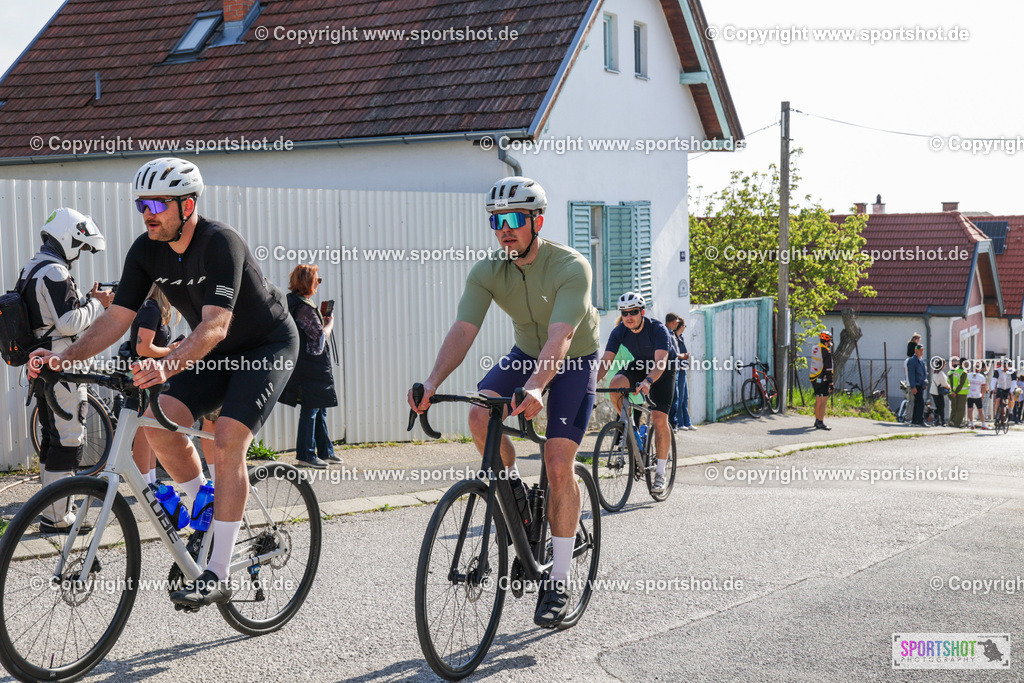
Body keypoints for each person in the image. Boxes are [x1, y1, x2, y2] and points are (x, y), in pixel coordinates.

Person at [29, 157, 299, 608]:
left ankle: (216, 571)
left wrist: (167, 365)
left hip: (265, 346)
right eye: (142, 204)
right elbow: (117, 318)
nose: (147, 212)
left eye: (158, 203)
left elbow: (215, 325)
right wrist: (64, 357)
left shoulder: (221, 243)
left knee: (229, 438)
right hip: (215, 352)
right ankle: (203, 506)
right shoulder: (146, 250)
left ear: (188, 205)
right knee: (156, 422)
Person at [409, 176, 599, 629]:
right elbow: (463, 330)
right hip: (524, 355)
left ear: (537, 220)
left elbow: (562, 337)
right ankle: (515, 496)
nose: (504, 229)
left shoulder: (570, 267)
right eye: (496, 221)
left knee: (557, 463)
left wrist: (536, 387)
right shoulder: (488, 271)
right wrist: (432, 382)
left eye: (514, 219)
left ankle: (557, 579)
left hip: (572, 360)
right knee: (479, 414)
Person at [19, 208, 112, 532]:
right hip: (63, 365)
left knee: (53, 436)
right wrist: (100, 303)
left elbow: (54, 315)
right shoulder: (55, 271)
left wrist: (87, 299)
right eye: (81, 245)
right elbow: (69, 321)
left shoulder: (33, 266)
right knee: (68, 438)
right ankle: (59, 518)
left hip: (44, 363)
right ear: (68, 236)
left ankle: (51, 511)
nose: (81, 252)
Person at [596, 292, 676, 494]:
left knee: (658, 419)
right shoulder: (620, 331)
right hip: (640, 364)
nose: (628, 316)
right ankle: (631, 428)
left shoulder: (658, 329)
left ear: (641, 312)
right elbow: (606, 362)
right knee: (616, 384)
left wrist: (649, 381)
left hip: (663, 369)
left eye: (633, 312)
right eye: (624, 313)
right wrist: (587, 385)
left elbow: (660, 362)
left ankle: (660, 473)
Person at [279, 264, 342, 469]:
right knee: (311, 409)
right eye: (317, 279)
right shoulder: (304, 307)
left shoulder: (295, 302)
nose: (318, 282)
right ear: (307, 281)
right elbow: (320, 338)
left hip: (306, 364)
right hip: (310, 366)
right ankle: (305, 454)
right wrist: (329, 322)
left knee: (319, 407)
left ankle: (325, 451)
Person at [128, 287, 182, 487]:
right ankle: (144, 481)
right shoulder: (151, 308)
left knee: (149, 426)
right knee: (145, 427)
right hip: (143, 372)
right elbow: (143, 348)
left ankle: (150, 479)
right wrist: (171, 350)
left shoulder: (154, 309)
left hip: (148, 373)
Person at [665, 313, 695, 431]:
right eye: (682, 325)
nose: (682, 327)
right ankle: (677, 423)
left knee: (683, 397)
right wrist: (681, 358)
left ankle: (684, 422)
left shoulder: (676, 336)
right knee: (678, 397)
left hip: (680, 368)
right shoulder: (669, 334)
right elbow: (671, 352)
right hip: (674, 369)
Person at [808, 331, 834, 430]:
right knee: (823, 401)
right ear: (826, 341)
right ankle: (820, 422)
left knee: (818, 400)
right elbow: (828, 369)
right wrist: (831, 382)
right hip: (823, 379)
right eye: (829, 342)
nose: (830, 344)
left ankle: (816, 420)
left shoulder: (815, 348)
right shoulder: (826, 352)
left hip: (814, 377)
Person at [907, 344, 928, 426]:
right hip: (916, 385)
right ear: (915, 351)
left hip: (921, 384)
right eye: (920, 350)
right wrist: (913, 386)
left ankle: (915, 420)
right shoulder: (912, 360)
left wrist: (925, 383)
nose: (921, 352)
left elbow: (923, 373)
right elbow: (911, 375)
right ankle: (920, 420)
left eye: (922, 350)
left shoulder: (921, 360)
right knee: (921, 403)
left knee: (918, 403)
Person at [903, 333, 921, 422]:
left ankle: (910, 417)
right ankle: (908, 418)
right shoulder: (913, 360)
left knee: (910, 401)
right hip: (912, 384)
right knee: (911, 402)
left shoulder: (907, 360)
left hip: (909, 382)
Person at [989, 358, 1013, 425]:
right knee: (998, 400)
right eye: (1003, 366)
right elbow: (993, 381)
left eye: (1006, 366)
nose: (1005, 368)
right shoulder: (998, 371)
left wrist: (1011, 391)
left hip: (1009, 387)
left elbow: (1014, 382)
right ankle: (997, 415)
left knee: (1010, 397)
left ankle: (1010, 411)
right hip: (1000, 387)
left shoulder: (1012, 372)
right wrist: (992, 389)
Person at [947, 357, 969, 428]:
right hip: (961, 392)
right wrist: (955, 392)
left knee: (954, 408)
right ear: (964, 363)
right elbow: (962, 383)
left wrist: (953, 392)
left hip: (954, 392)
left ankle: (951, 421)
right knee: (960, 409)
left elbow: (953, 382)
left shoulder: (955, 371)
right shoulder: (963, 372)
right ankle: (957, 424)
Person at [966, 360, 988, 429]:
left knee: (970, 410)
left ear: (973, 368)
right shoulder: (981, 377)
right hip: (977, 395)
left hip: (969, 395)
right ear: (980, 369)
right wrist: (983, 395)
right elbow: (984, 387)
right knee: (980, 410)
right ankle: (983, 424)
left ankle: (972, 424)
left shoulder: (968, 375)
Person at [929, 357, 949, 427]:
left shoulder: (935, 372)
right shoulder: (941, 373)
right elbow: (944, 384)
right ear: (942, 365)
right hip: (938, 392)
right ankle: (943, 421)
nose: (945, 365)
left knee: (938, 406)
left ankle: (936, 420)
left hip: (933, 391)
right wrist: (948, 387)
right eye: (945, 364)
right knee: (941, 406)